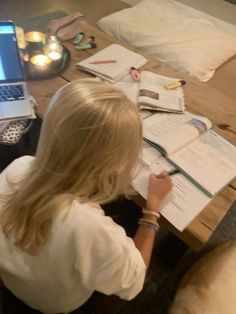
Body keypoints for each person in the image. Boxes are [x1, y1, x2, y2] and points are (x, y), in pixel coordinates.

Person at [0, 78, 172, 314]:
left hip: (14, 285)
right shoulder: (88, 227)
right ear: (115, 162)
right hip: (54, 306)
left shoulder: (19, 167)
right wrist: (152, 210)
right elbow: (134, 279)